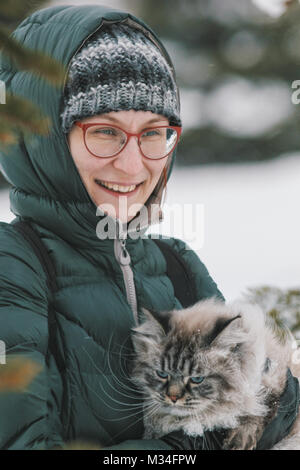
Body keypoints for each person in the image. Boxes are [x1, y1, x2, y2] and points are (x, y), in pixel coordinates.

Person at [0, 4, 298, 451]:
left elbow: (275, 403)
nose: (132, 164)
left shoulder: (175, 262)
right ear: (47, 139)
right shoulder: (14, 267)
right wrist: (185, 450)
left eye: (154, 132)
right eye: (105, 131)